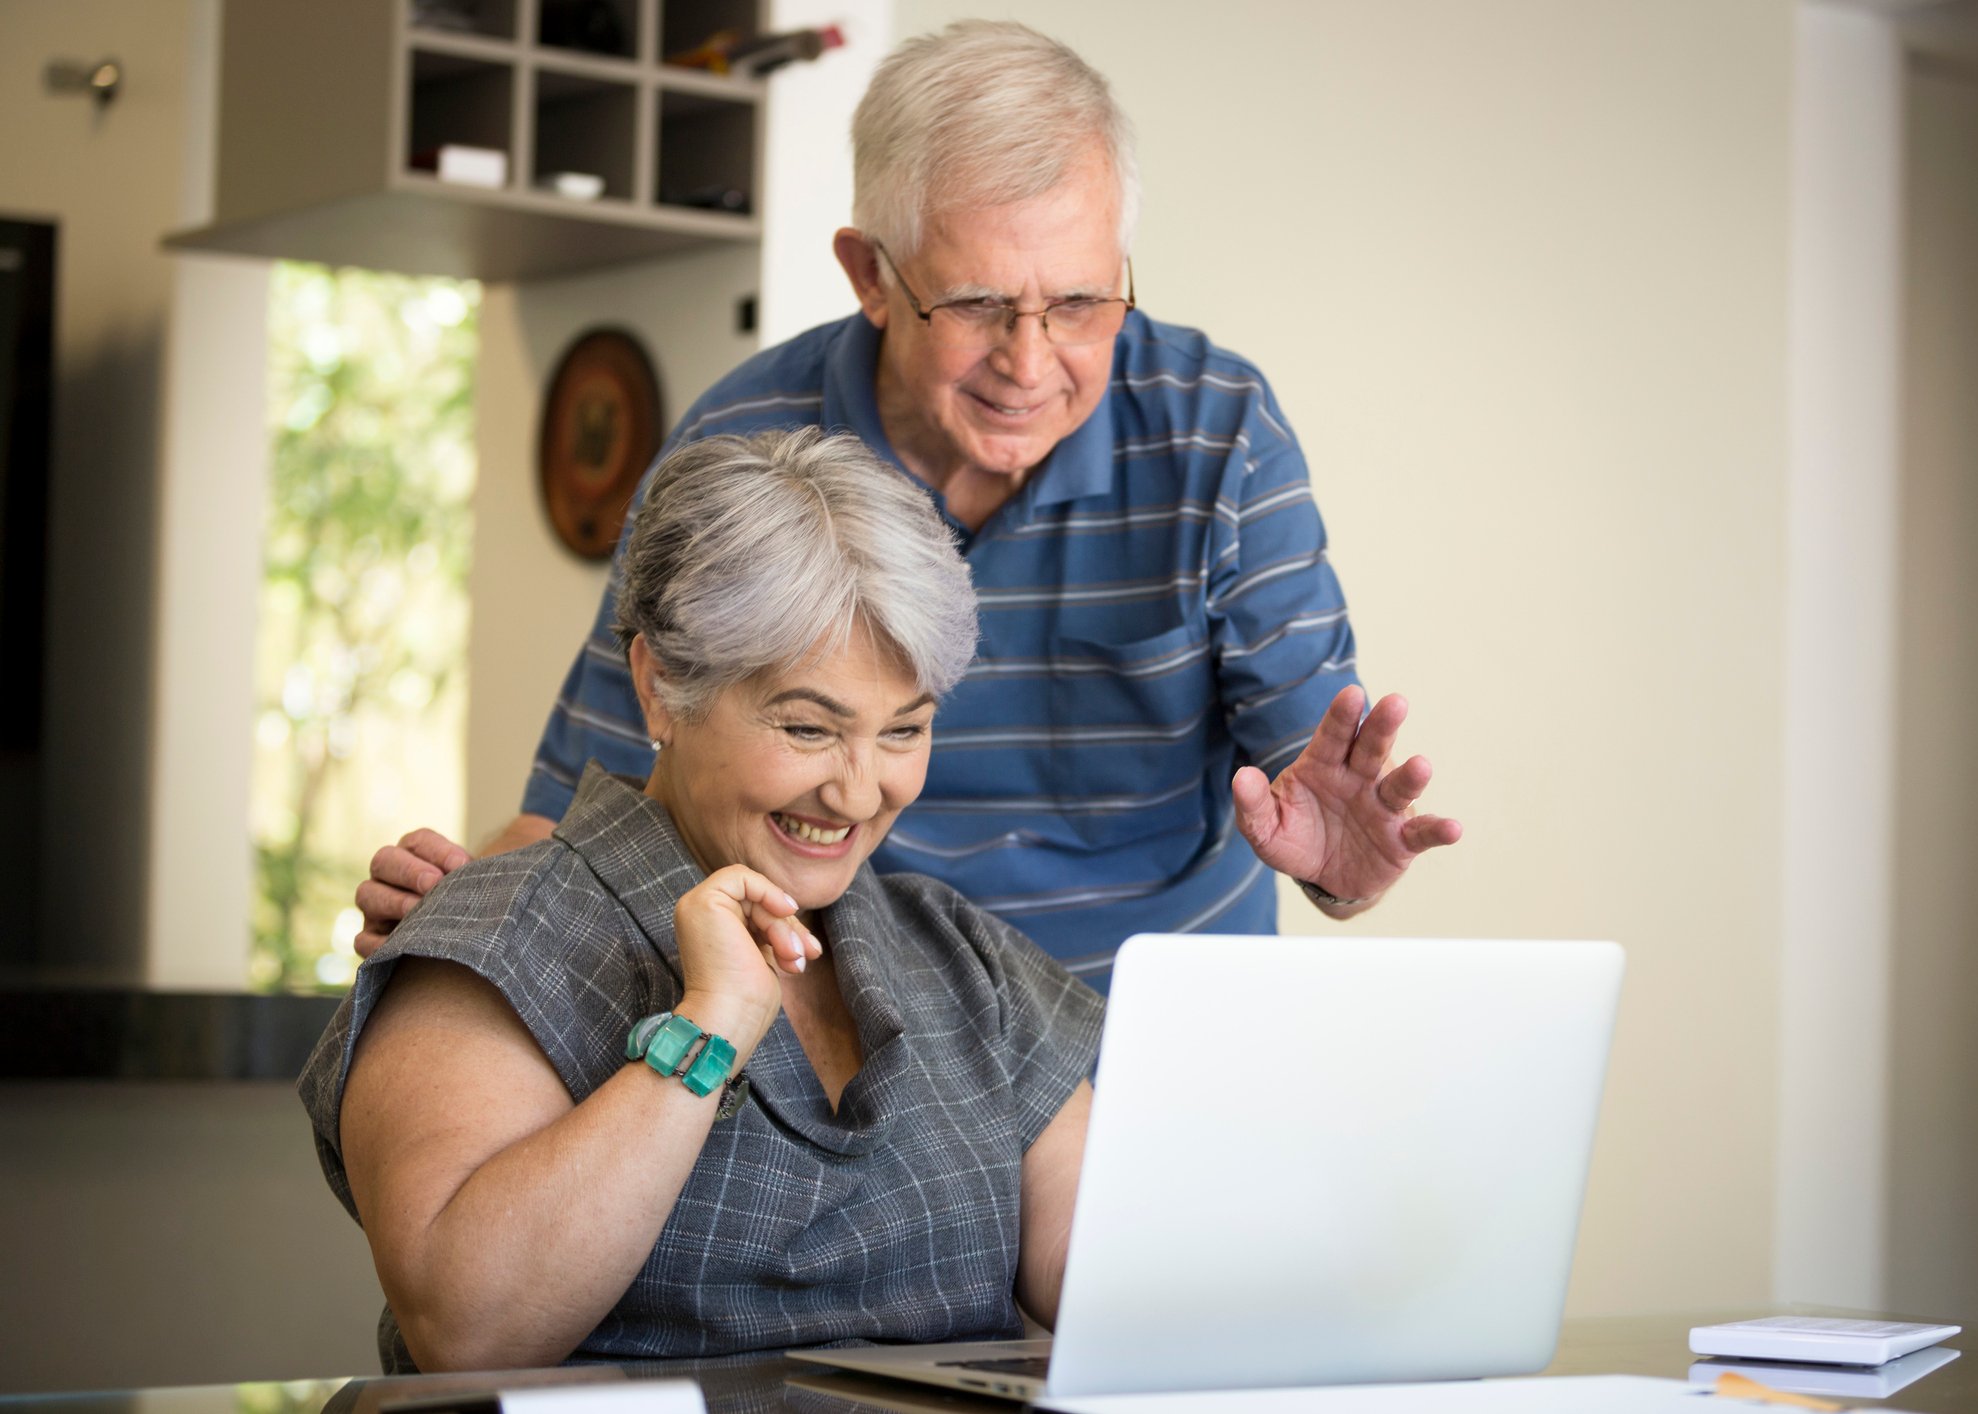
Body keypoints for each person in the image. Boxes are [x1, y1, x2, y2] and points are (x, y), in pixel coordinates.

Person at [356, 20, 1460, 982]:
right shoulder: (745, 441)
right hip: (866, 1051)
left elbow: (1313, 801)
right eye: (977, 304)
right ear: (870, 276)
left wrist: (1338, 870)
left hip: (1153, 1041)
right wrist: (465, 915)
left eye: (1079, 301)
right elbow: (594, 793)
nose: (1031, 364)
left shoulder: (1220, 433)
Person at [299, 430, 1103, 1372]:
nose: (856, 790)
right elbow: (469, 1329)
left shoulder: (954, 952)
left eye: (904, 730)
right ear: (659, 688)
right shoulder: (488, 939)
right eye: (807, 727)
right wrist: (710, 1024)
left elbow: (1122, 1285)